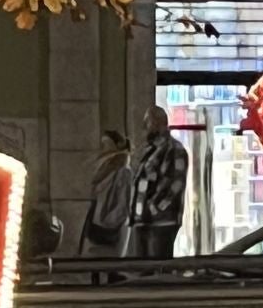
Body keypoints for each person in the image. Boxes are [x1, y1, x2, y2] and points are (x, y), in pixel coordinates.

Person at [128, 105, 189, 259]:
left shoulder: (174, 149)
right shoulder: (150, 150)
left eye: (147, 122)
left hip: (161, 223)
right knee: (141, 271)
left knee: (157, 269)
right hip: (142, 221)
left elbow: (175, 185)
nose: (144, 127)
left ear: (158, 122)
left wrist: (154, 208)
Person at [79, 129, 134, 256]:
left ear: (117, 145)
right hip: (99, 219)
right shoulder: (105, 167)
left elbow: (123, 204)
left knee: (108, 260)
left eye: (106, 143)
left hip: (111, 225)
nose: (104, 148)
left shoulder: (123, 172)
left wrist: (110, 221)